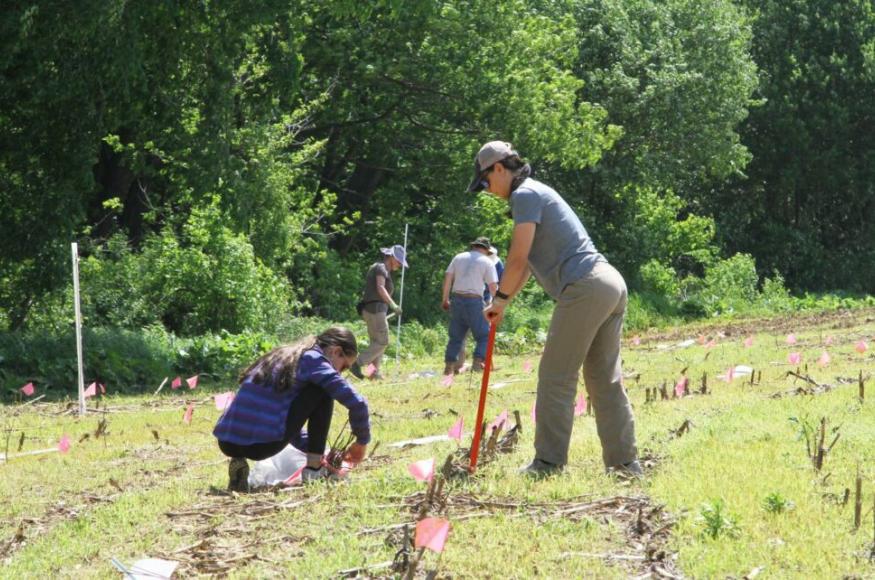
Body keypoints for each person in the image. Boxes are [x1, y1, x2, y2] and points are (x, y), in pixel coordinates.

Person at [469, 140, 640, 477]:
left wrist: (500, 300)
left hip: (585, 287)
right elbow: (528, 266)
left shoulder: (525, 195)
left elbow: (516, 261)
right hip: (609, 284)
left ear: (499, 169)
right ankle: (625, 464)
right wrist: (502, 303)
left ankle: (548, 463)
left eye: (485, 182)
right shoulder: (534, 193)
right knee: (604, 380)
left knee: (555, 376)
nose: (487, 190)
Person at [213, 327, 370, 490]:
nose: (340, 372)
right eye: (344, 366)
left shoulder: (283, 355)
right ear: (335, 351)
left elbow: (279, 417)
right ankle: (314, 470)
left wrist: (321, 450)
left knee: (315, 388)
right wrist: (361, 443)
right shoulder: (315, 360)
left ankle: (238, 461)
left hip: (227, 442)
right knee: (322, 389)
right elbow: (358, 404)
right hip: (261, 445)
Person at [441, 237, 499, 375]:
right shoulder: (487, 262)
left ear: (474, 246)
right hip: (474, 301)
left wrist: (445, 298)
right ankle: (477, 365)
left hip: (457, 300)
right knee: (484, 335)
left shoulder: (458, 257)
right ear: (486, 249)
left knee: (456, 336)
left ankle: (449, 367)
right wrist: (497, 305)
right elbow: (492, 286)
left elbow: (448, 277)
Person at [350, 244, 408, 380]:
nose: (399, 265)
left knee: (376, 344)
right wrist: (393, 305)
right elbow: (380, 288)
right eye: (399, 261)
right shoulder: (381, 267)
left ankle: (373, 373)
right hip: (375, 310)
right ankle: (356, 363)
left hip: (373, 310)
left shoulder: (383, 269)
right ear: (392, 257)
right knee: (383, 342)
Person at [457, 244, 504, 373]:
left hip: (487, 300)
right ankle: (467, 364)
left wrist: (494, 302)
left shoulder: (498, 264)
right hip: (475, 300)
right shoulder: (473, 262)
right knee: (480, 334)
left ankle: (483, 364)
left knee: (485, 333)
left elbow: (498, 285)